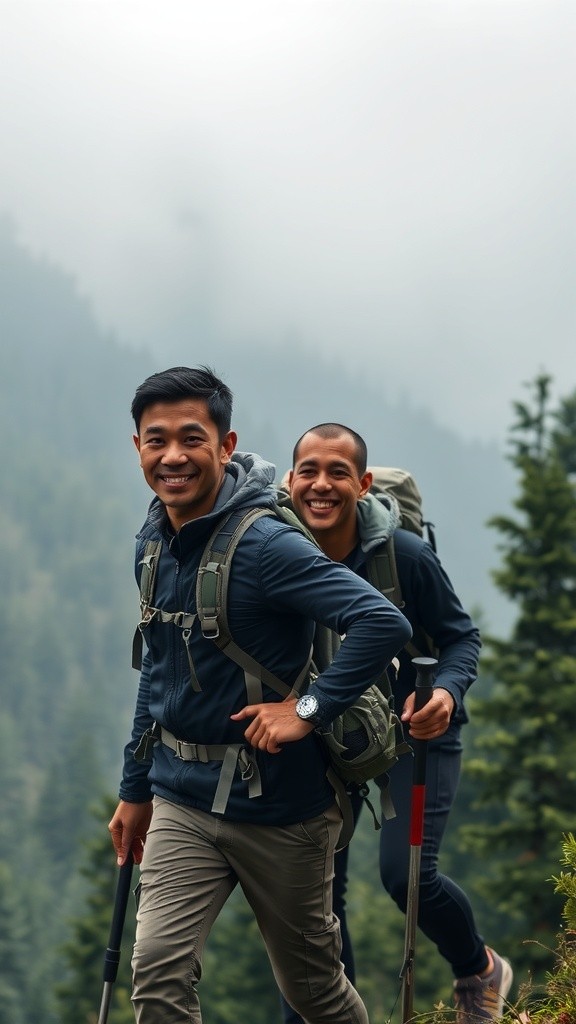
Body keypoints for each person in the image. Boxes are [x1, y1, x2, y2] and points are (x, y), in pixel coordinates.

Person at [108, 368, 413, 1024]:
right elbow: (158, 670)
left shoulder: (266, 545)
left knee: (314, 992)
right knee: (157, 973)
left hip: (283, 809)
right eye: (155, 441)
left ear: (225, 444)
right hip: (181, 800)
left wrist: (307, 710)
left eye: (192, 438)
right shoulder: (155, 539)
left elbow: (382, 622)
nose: (173, 457)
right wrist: (135, 789)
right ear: (138, 448)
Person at [278, 422, 513, 1024]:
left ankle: (479, 971)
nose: (321, 485)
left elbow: (461, 638)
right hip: (329, 732)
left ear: (362, 483)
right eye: (309, 471)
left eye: (337, 473)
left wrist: (448, 696)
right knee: (314, 902)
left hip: (416, 729)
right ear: (290, 480)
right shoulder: (278, 551)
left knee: (405, 876)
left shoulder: (402, 555)